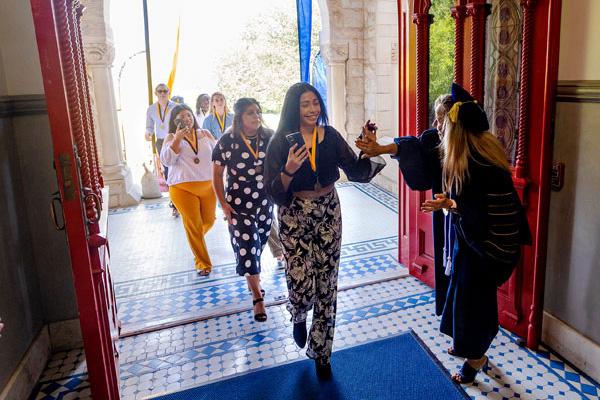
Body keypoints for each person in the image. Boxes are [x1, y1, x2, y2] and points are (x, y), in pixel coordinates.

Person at [264, 82, 386, 379]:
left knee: (327, 282)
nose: (312, 109)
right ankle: (298, 312)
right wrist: (290, 169)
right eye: (306, 104)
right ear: (294, 107)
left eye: (315, 103)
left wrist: (370, 147)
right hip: (294, 213)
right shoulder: (281, 142)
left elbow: (356, 171)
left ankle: (322, 351)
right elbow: (274, 193)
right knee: (300, 277)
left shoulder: (329, 136)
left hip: (329, 210)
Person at [420, 83, 531, 384]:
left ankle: (475, 358)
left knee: (475, 304)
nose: (437, 127)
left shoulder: (477, 163)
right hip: (476, 242)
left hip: (490, 247)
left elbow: (480, 213)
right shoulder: (473, 154)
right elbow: (473, 206)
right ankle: (466, 343)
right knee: (461, 293)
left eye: (442, 122)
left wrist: (452, 203)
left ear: (456, 130)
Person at [356, 94, 455, 318]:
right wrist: (381, 148)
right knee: (446, 269)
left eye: (440, 119)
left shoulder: (472, 149)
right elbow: (411, 149)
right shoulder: (433, 141)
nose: (435, 124)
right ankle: (454, 327)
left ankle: (471, 341)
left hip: (467, 220)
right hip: (445, 216)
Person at [212, 98, 273, 322]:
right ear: (240, 117)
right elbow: (217, 175)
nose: (256, 116)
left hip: (265, 204)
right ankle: (258, 298)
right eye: (250, 113)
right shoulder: (228, 141)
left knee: (258, 247)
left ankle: (253, 283)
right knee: (248, 247)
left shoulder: (268, 136)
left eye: (258, 112)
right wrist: (223, 204)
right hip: (238, 205)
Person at [160, 104, 217, 276]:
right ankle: (203, 263)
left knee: (209, 220)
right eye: (181, 117)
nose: (187, 119)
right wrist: (177, 139)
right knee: (193, 224)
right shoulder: (171, 137)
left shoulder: (205, 134)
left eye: (189, 115)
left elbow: (218, 156)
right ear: (175, 121)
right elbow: (167, 160)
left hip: (208, 186)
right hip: (182, 188)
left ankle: (195, 240)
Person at [145, 83, 176, 181]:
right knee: (166, 166)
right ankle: (170, 187)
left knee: (177, 164)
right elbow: (149, 126)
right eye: (160, 91)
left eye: (165, 91)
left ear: (169, 92)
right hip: (161, 142)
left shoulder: (175, 107)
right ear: (156, 93)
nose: (162, 93)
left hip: (174, 139)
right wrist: (148, 133)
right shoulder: (151, 109)